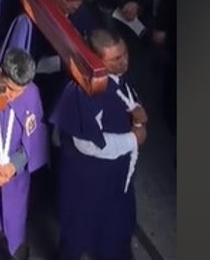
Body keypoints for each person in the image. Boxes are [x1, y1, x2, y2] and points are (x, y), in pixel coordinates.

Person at [52, 29, 147, 260]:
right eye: (115, 59)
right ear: (95, 60)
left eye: (125, 54)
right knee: (77, 240)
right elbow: (88, 144)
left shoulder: (119, 76)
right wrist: (133, 139)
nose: (123, 62)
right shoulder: (80, 92)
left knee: (118, 236)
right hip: (89, 186)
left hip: (116, 182)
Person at [0, 0, 100, 112]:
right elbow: (27, 63)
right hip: (42, 87)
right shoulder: (32, 21)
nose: (76, 5)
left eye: (79, 0)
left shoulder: (82, 15)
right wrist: (62, 63)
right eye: (70, 0)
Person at [0, 49, 48, 260]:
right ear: (0, 72)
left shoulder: (32, 94)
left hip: (14, 181)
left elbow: (35, 139)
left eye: (19, 91)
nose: (13, 96)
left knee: (14, 239)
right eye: (9, 88)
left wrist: (14, 167)